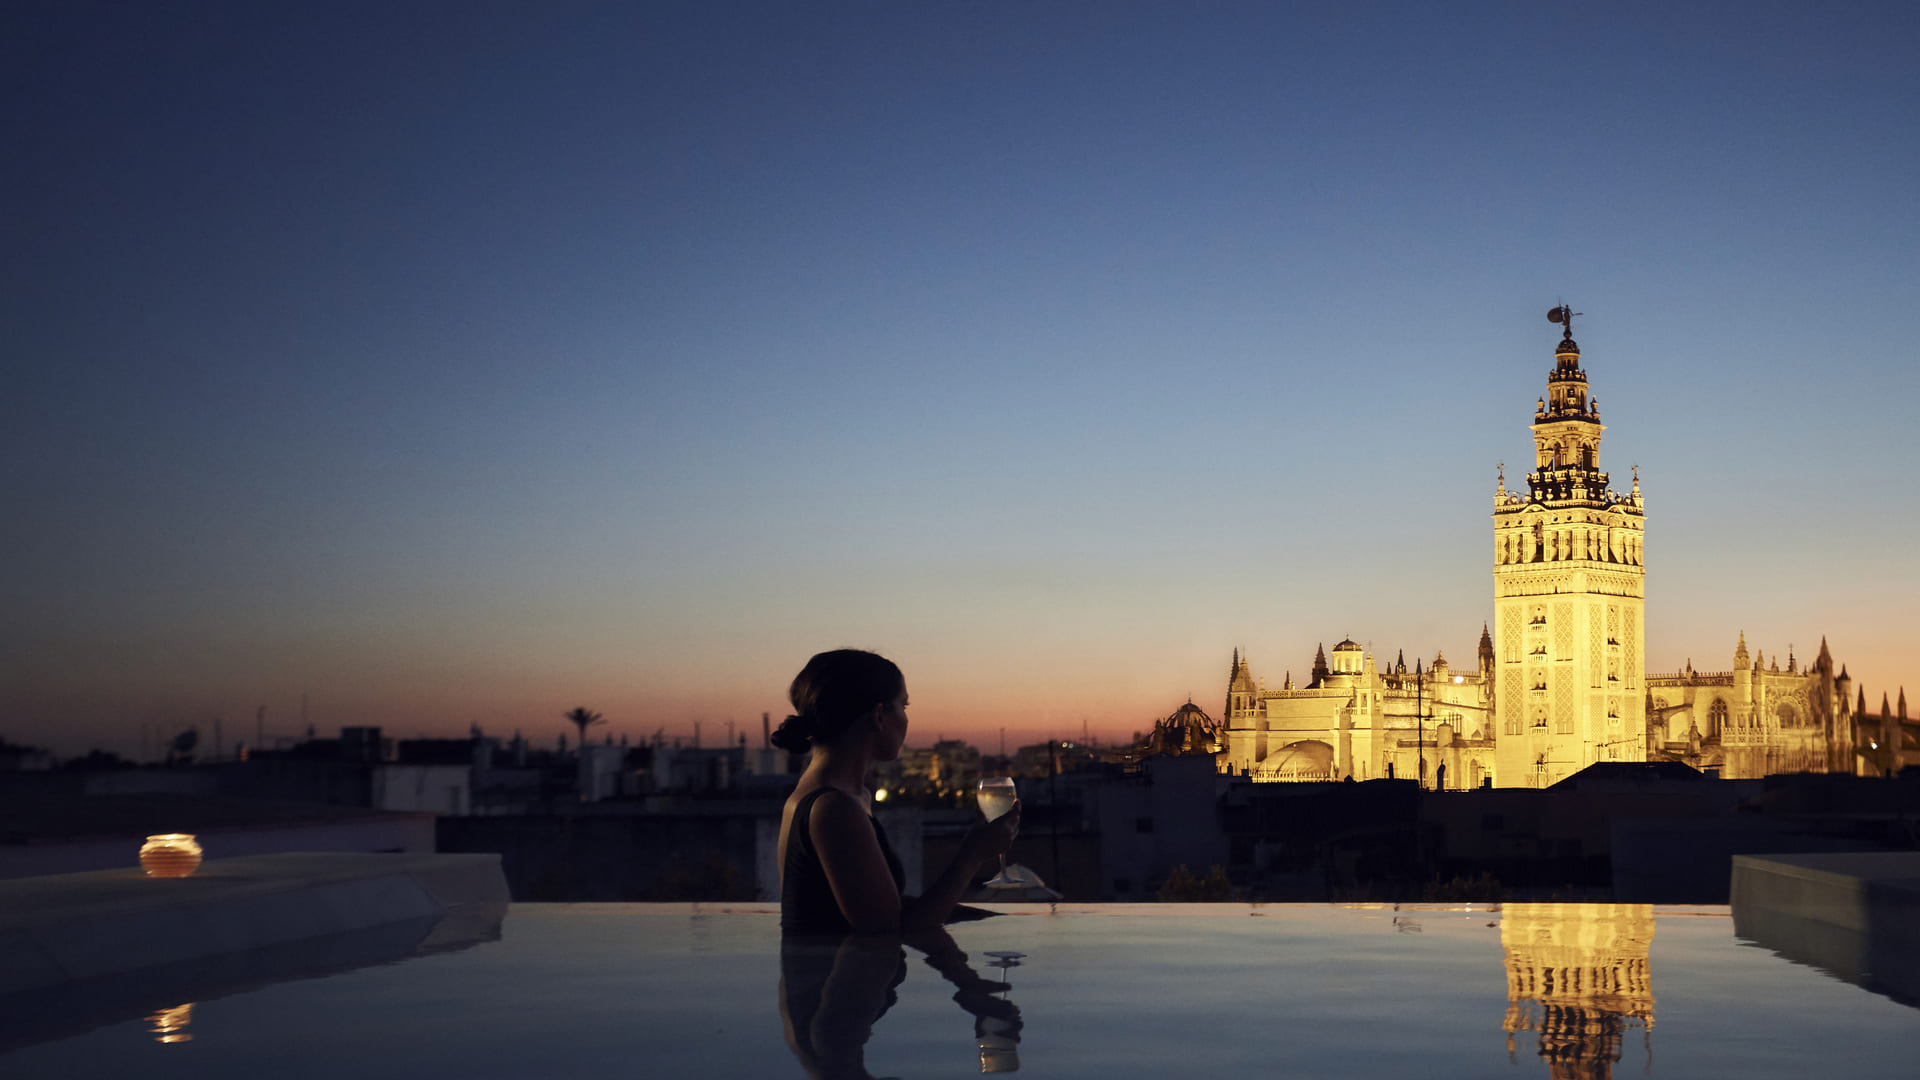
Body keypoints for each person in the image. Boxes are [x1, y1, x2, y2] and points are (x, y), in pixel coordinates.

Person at [775, 649, 1018, 933]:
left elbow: (882, 907)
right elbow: (891, 930)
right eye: (904, 706)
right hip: (833, 977)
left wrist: (971, 956)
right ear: (879, 715)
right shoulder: (834, 808)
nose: (906, 719)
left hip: (837, 975)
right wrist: (974, 855)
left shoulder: (840, 796)